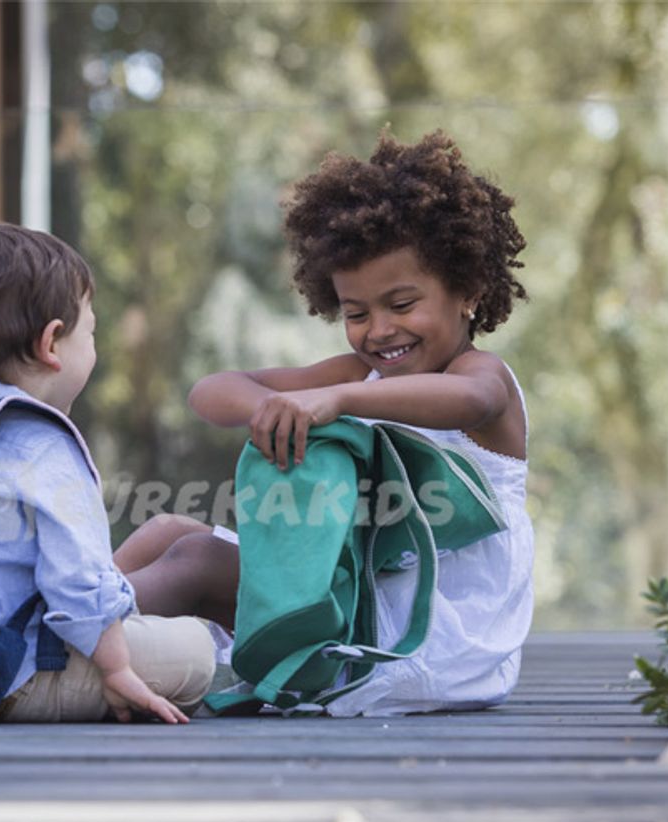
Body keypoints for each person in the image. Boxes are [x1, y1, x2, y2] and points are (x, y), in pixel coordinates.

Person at [184, 130, 535, 715]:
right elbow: (210, 392)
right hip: (370, 603)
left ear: (468, 289)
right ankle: (60, 624)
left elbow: (467, 400)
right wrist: (277, 408)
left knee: (195, 566)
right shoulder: (359, 374)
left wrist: (338, 401)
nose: (379, 331)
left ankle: (53, 642)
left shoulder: (483, 377)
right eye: (355, 313)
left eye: (402, 305)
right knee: (172, 534)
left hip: (432, 637)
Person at [0, 222, 215, 724]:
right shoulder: (43, 445)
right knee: (196, 650)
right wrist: (117, 670)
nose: (94, 348)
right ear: (51, 344)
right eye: (91, 333)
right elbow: (76, 578)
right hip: (17, 679)